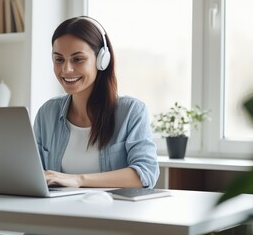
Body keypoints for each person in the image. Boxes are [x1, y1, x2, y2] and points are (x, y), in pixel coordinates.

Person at [34, 16, 159, 189]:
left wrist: (78, 180)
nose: (66, 69)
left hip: (111, 212)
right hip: (59, 212)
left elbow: (145, 173)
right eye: (59, 59)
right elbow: (33, 173)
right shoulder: (47, 113)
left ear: (102, 60)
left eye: (78, 59)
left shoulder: (131, 111)